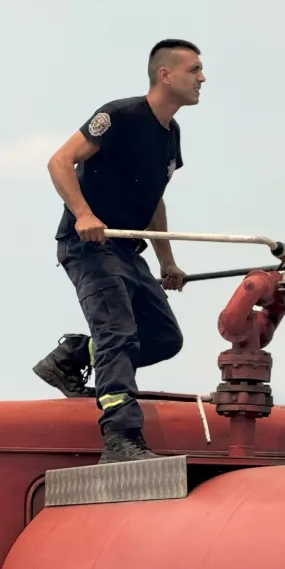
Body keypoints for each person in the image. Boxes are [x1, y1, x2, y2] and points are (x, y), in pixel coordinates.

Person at [33, 38, 205, 464]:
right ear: (165, 75)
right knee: (118, 335)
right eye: (194, 70)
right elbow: (59, 161)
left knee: (164, 338)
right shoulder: (120, 115)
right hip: (90, 247)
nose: (202, 78)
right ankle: (120, 438)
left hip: (128, 249)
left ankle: (73, 356)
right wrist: (83, 215)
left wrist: (167, 261)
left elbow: (155, 199)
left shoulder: (171, 134)